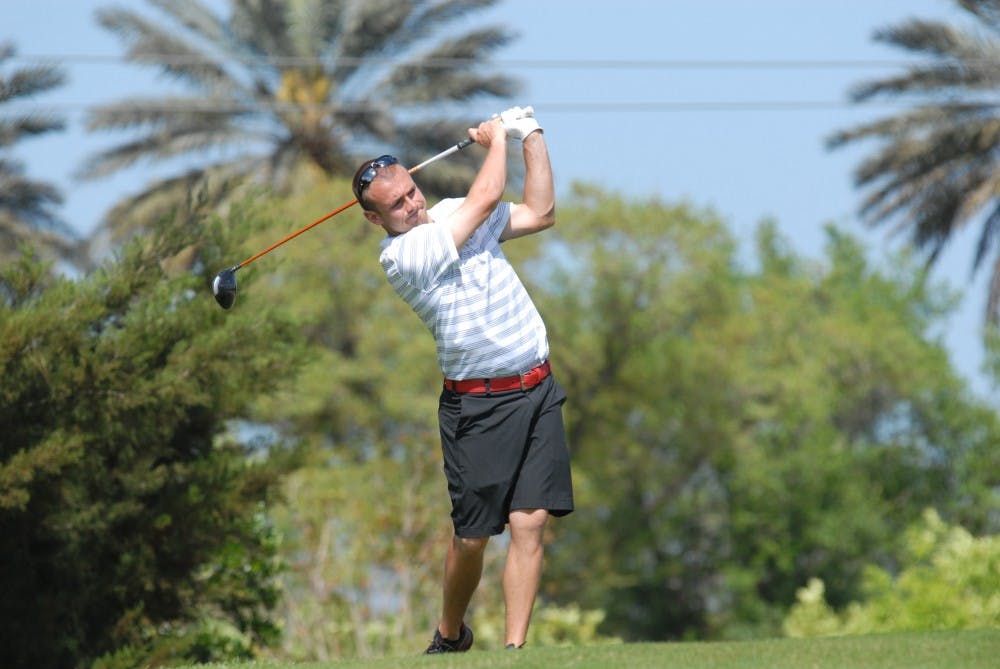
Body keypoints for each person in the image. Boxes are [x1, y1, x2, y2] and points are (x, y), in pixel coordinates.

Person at [351, 107, 574, 653]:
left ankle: (515, 652)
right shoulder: (404, 256)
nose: (411, 204)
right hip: (477, 408)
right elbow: (485, 199)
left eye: (411, 191)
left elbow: (541, 212)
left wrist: (529, 134)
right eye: (396, 204)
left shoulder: (449, 212)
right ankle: (451, 634)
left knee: (531, 521)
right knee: (473, 538)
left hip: (536, 387)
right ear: (375, 220)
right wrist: (496, 140)